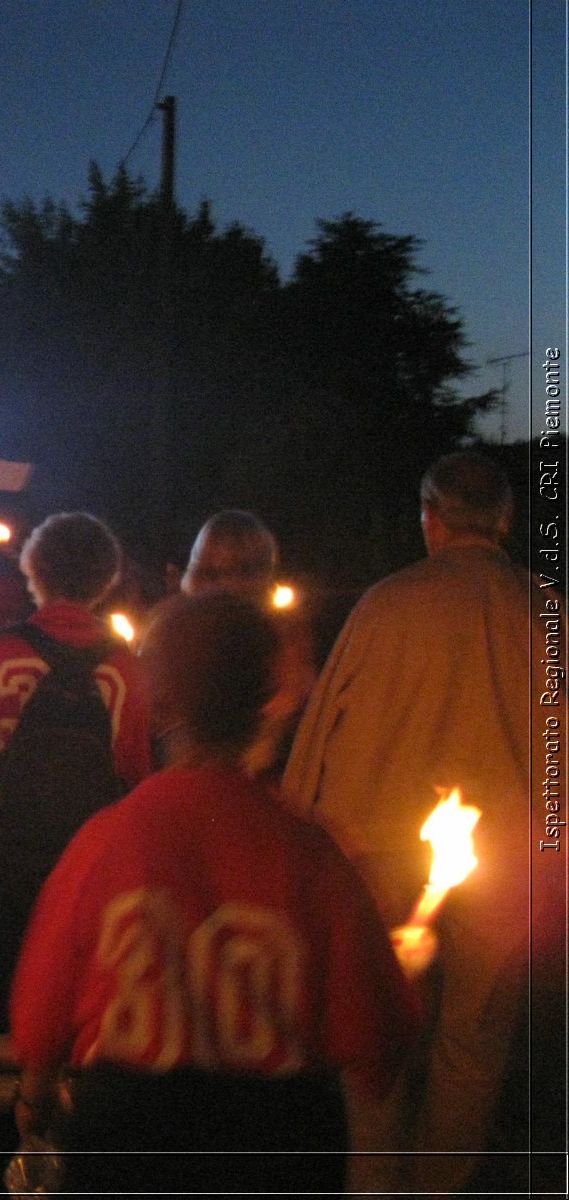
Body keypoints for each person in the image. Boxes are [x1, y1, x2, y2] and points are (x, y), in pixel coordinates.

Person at [10, 592, 418, 1196]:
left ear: (159, 704)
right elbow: (377, 1040)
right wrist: (407, 963)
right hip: (276, 1147)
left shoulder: (108, 841)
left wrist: (34, 1099)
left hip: (129, 1140)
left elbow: (39, 1019)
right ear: (267, 704)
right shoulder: (312, 853)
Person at [283, 449, 547, 1195]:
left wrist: (300, 835)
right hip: (509, 863)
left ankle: (375, 1187)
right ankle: (439, 1188)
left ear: (429, 519)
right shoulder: (545, 614)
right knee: (475, 1046)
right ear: (505, 522)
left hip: (378, 851)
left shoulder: (387, 603)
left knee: (377, 1034)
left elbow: (321, 729)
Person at [0, 512, 152, 1043]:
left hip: (3, 855)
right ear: (107, 579)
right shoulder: (125, 665)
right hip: (92, 860)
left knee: (0, 984)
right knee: (82, 987)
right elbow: (134, 769)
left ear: (31, 570)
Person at [172, 509, 315, 777]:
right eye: (200, 571)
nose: (196, 585)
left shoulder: (285, 645)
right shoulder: (183, 639)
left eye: (211, 573)